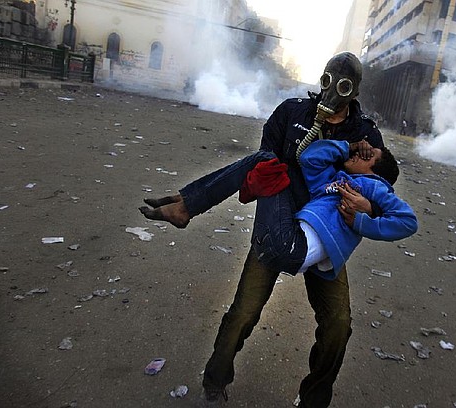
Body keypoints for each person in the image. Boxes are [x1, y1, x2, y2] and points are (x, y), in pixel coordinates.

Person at [146, 52, 390, 408]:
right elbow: (264, 163)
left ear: (354, 92)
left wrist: (367, 202)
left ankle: (314, 399)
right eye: (327, 81)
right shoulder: (292, 112)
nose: (331, 92)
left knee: (338, 324)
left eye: (341, 85)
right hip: (279, 222)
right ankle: (215, 381)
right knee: (244, 310)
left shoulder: (365, 133)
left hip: (324, 233)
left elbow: (385, 185)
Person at [140, 138, 417, 279]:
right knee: (269, 164)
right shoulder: (335, 181)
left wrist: (362, 221)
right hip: (281, 240)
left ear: (374, 171)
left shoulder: (373, 186)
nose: (358, 156)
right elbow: (309, 157)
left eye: (366, 156)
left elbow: (408, 221)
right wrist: (348, 146)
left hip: (289, 248)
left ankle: (187, 205)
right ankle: (186, 204)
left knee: (265, 160)